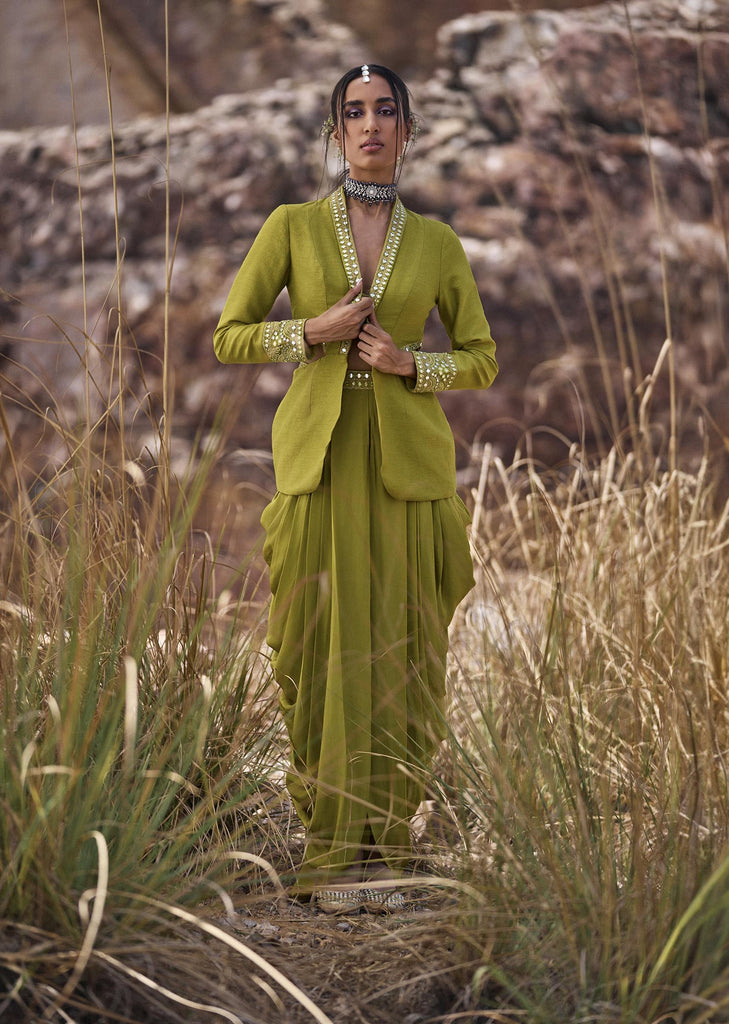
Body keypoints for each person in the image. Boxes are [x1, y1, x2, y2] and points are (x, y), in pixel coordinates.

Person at [214, 63, 497, 913]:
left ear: (408, 130)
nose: (369, 125)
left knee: (402, 649)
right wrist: (311, 331)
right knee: (317, 643)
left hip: (406, 473)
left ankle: (387, 847)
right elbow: (228, 337)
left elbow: (481, 359)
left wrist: (415, 363)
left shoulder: (438, 243)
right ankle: (331, 852)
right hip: (319, 466)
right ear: (334, 133)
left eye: (385, 111)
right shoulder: (291, 226)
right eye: (352, 112)